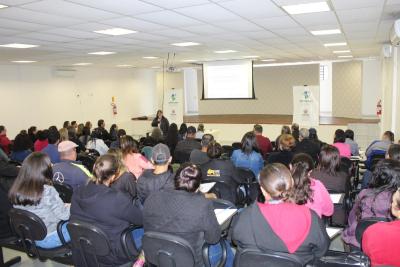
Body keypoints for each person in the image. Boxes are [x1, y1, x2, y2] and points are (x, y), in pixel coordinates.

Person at [232, 163, 329, 265]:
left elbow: (235, 241)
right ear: (291, 185)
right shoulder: (310, 217)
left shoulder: (245, 215)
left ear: (263, 190)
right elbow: (321, 250)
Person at [143, 163, 234, 267]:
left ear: (175, 179)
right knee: (226, 247)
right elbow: (213, 239)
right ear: (197, 186)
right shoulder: (202, 205)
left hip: (156, 256)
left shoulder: (152, 198)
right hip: (192, 261)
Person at [70, 154, 143, 266]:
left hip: (85, 249)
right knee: (148, 232)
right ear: (114, 176)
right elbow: (141, 220)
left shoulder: (77, 192)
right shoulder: (117, 199)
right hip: (114, 255)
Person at [8, 152, 70, 248]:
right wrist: (72, 206)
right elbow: (65, 215)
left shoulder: (16, 190)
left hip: (31, 237)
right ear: (45, 170)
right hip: (53, 237)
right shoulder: (47, 190)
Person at [342, 159, 400, 249]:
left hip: (357, 243)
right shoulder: (397, 200)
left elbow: (351, 219)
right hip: (388, 246)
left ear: (377, 176)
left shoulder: (364, 194)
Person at [362, 188, 400, 266]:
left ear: (397, 209)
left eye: (393, 201)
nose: (391, 204)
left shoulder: (373, 232)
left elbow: (366, 257)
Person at [290, 153, 333, 218]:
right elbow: (329, 211)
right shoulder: (318, 185)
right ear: (310, 171)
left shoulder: (283, 186)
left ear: (290, 166)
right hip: (314, 226)